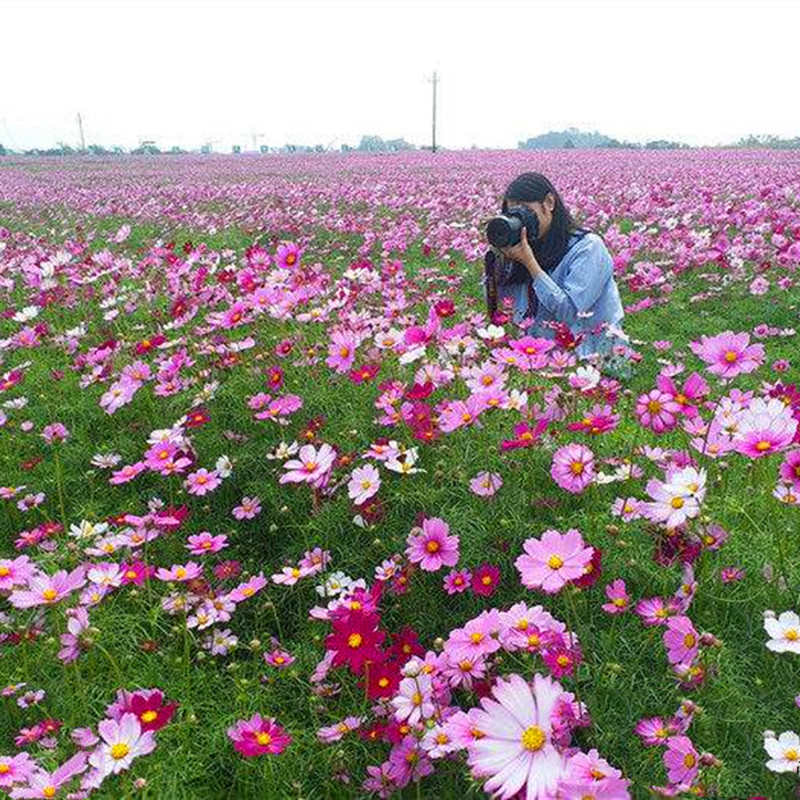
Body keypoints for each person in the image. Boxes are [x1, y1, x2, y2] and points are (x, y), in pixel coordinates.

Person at [484, 172, 627, 361]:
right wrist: (498, 261)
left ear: (549, 202)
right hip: (534, 361)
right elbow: (501, 311)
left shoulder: (587, 247)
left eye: (525, 211)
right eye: (512, 215)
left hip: (591, 360)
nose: (520, 222)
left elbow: (571, 315)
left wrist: (531, 264)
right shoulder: (522, 247)